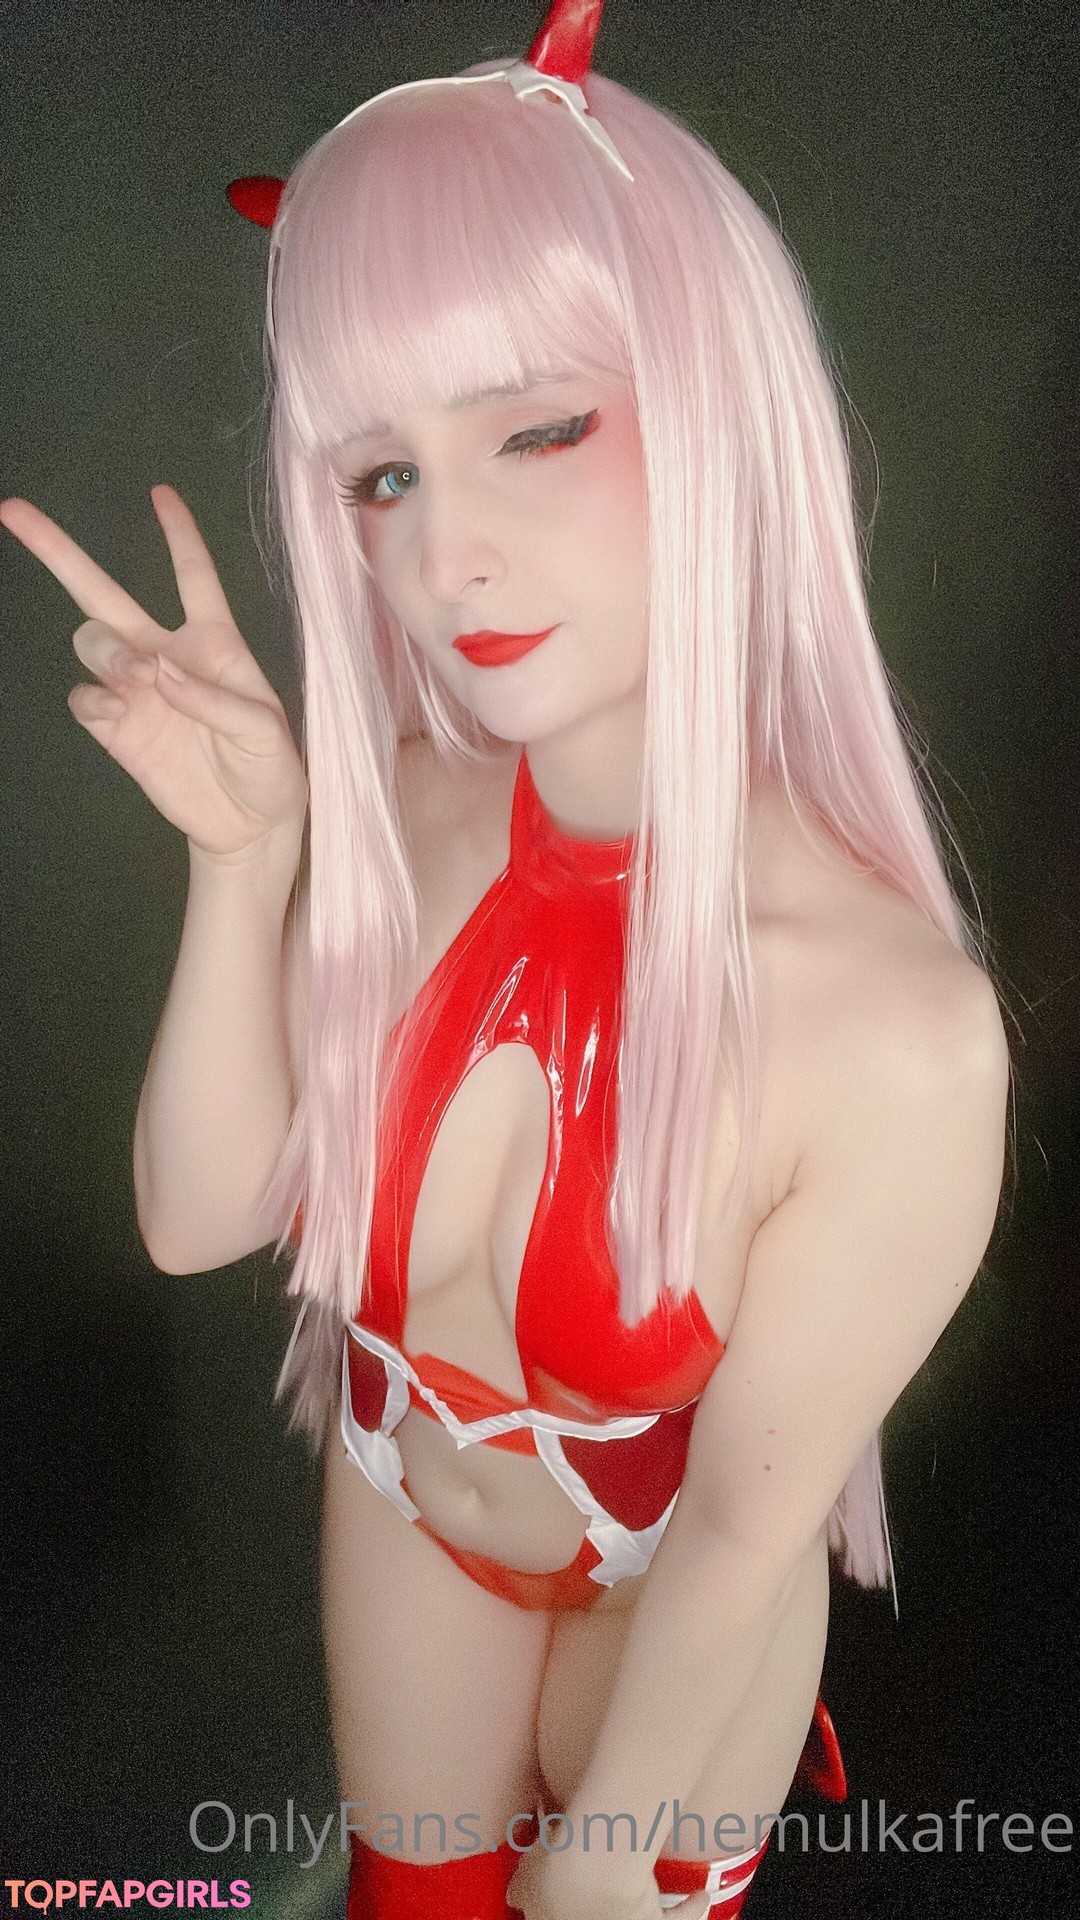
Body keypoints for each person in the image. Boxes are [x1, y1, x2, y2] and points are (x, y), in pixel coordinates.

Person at [0, 2, 1010, 1915]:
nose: (445, 553)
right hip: (404, 1498)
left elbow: (740, 1539)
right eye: (381, 476)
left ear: (716, 409)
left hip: (674, 1597)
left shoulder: (897, 1030)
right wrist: (247, 860)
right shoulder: (410, 808)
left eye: (538, 430)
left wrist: (597, 1879)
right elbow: (196, 1221)